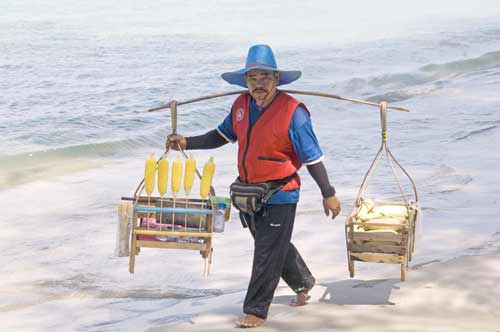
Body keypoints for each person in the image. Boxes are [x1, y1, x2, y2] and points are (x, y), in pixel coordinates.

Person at [166, 44, 341, 328]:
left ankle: (256, 310)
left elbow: (313, 158)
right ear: (245, 81)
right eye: (252, 79)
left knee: (266, 253)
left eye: (264, 77)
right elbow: (221, 135)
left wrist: (328, 193)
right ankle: (303, 282)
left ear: (276, 78)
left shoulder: (294, 112)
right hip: (249, 193)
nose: (258, 84)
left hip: (281, 192)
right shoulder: (240, 106)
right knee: (271, 245)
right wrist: (187, 142)